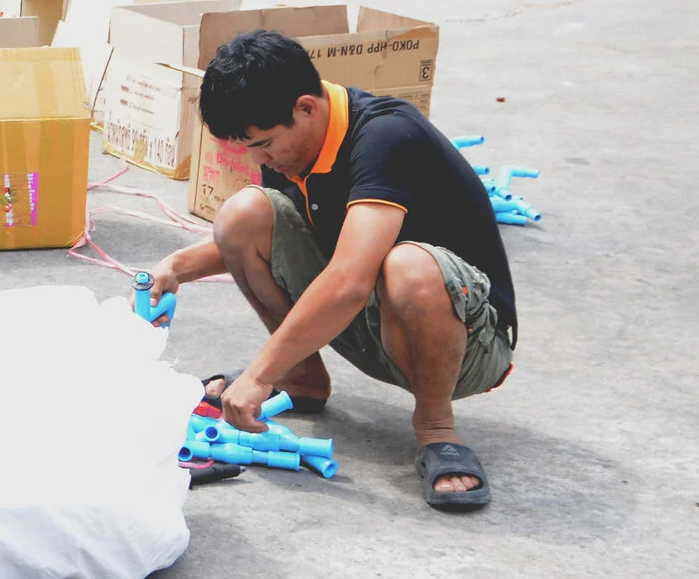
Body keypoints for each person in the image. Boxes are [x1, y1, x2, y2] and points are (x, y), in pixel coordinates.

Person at [147, 30, 518, 510]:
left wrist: (259, 373)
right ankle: (301, 375)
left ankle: (436, 428)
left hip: (466, 344)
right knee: (243, 214)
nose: (261, 159)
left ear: (306, 108)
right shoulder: (295, 144)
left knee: (407, 266)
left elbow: (348, 282)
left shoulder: (385, 136)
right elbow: (272, 235)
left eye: (263, 144)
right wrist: (176, 267)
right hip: (374, 321)